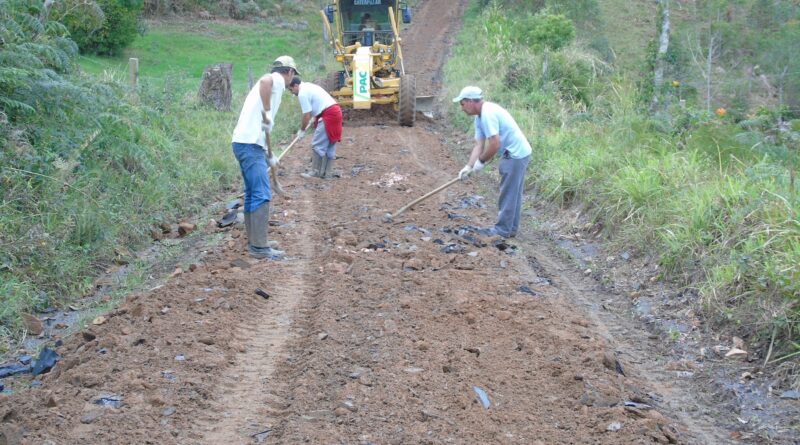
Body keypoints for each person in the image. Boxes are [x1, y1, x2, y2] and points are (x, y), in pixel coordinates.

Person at [230, 55, 300, 259]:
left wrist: (269, 154)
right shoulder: (276, 79)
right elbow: (265, 82)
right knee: (262, 193)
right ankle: (259, 248)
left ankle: (256, 242)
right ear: (290, 72)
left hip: (246, 143)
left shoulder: (274, 82)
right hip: (249, 145)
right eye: (292, 75)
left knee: (252, 192)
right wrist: (268, 113)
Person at [454, 86, 532, 238]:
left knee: (509, 192)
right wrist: (469, 166)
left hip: (516, 154)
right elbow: (479, 144)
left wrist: (481, 162)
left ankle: (502, 230)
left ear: (470, 101)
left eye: (462, 104)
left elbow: (495, 143)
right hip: (517, 153)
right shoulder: (480, 117)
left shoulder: (488, 113)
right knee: (513, 192)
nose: (461, 108)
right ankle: (511, 229)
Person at [288, 76, 343, 179]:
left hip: (329, 115)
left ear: (295, 85)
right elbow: (317, 104)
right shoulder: (309, 86)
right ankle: (327, 173)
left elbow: (306, 114)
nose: (292, 92)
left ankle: (315, 171)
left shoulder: (302, 93)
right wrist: (316, 115)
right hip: (335, 111)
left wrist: (302, 130)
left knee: (317, 144)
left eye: (291, 90)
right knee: (330, 144)